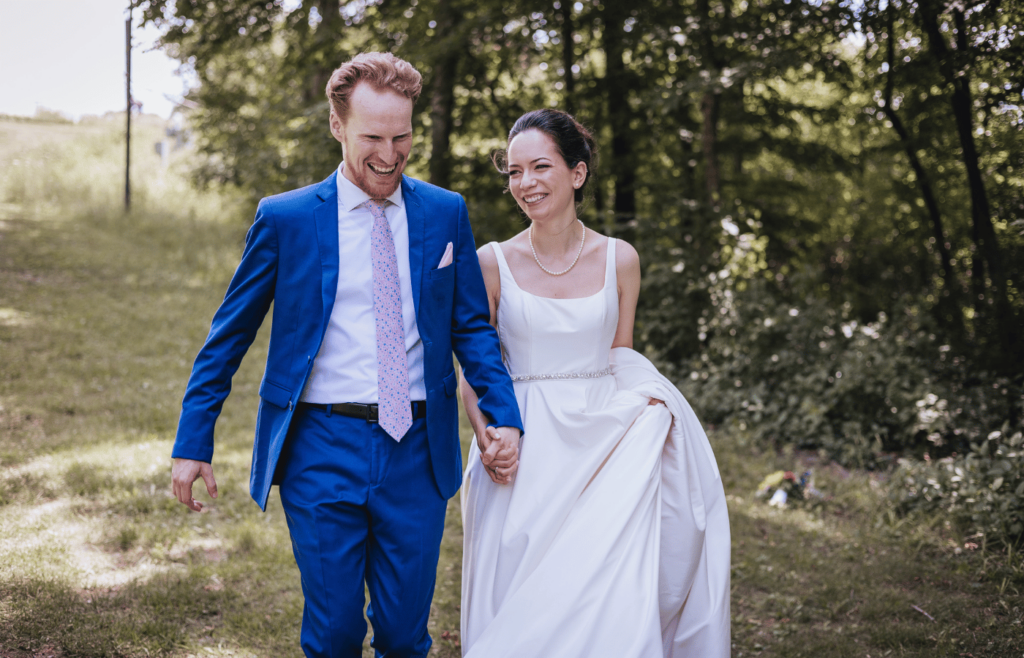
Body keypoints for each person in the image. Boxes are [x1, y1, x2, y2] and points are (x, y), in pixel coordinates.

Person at [169, 52, 524, 658]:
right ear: (337, 127)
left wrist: (506, 416)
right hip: (319, 447)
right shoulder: (285, 219)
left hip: (416, 447)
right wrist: (192, 441)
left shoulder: (444, 212)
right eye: (373, 138)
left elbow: (471, 330)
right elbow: (228, 335)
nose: (389, 154)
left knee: (404, 635)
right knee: (333, 633)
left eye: (402, 136)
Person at [459, 109, 731, 657]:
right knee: (518, 599)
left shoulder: (620, 259)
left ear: (577, 174)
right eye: (514, 171)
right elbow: (472, 361)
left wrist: (656, 408)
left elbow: (620, 356)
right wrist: (488, 435)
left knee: (603, 595)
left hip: (604, 445)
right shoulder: (491, 261)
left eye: (540, 167)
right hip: (522, 442)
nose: (525, 183)